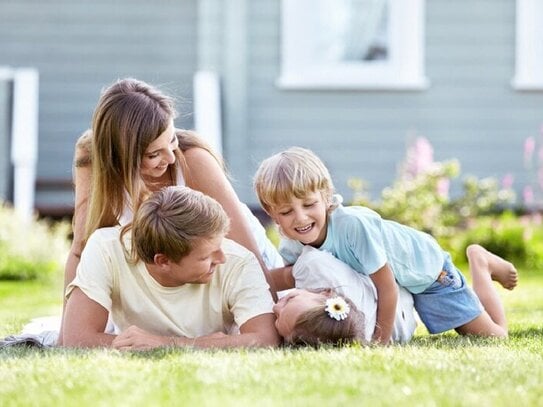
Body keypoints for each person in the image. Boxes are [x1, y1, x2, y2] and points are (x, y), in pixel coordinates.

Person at [61, 78, 282, 342]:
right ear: (121, 156)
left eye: (172, 139)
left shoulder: (192, 159)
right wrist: (67, 331)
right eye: (154, 153)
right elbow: (80, 249)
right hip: (174, 273)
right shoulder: (91, 161)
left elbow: (246, 253)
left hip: (234, 257)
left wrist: (266, 319)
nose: (170, 158)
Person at [254, 147, 518, 344]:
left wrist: (380, 343)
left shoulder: (351, 227)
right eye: (287, 211)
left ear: (325, 197)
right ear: (271, 212)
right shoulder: (293, 242)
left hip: (427, 271)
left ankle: (480, 261)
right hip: (402, 280)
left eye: (309, 205)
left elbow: (387, 287)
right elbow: (284, 278)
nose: (300, 218)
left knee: (493, 335)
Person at [62, 186, 281, 349]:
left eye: (220, 243)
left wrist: (165, 343)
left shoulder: (239, 261)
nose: (222, 257)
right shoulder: (106, 248)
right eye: (206, 255)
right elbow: (77, 338)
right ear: (163, 261)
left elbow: (265, 339)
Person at [273, 245, 417, 346]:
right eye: (289, 298)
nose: (275, 306)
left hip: (403, 318)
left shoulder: (313, 266)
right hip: (400, 307)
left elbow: (275, 279)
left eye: (277, 320)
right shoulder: (317, 267)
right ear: (326, 292)